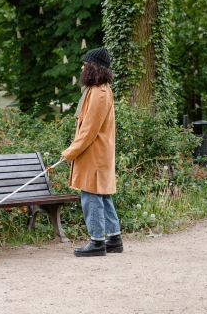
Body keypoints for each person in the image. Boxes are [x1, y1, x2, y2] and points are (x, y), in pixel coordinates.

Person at [61, 47, 123, 257]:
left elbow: (88, 131)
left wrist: (70, 152)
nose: (82, 67)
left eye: (85, 64)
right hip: (97, 153)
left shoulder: (99, 94)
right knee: (102, 195)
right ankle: (113, 238)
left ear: (93, 68)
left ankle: (97, 241)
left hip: (93, 154)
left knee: (91, 196)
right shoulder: (98, 90)